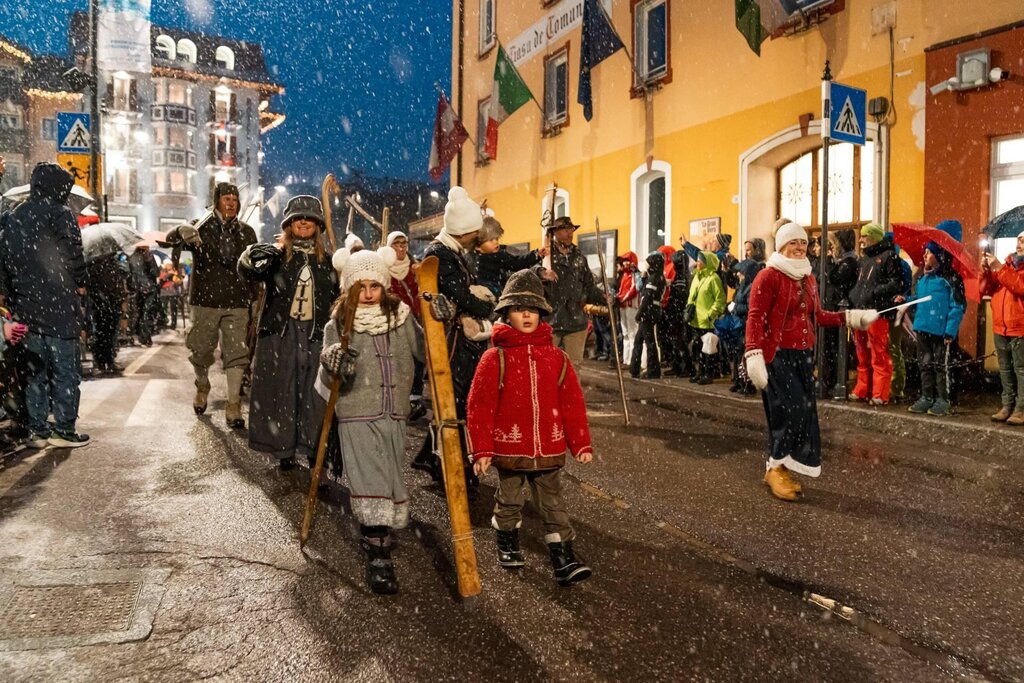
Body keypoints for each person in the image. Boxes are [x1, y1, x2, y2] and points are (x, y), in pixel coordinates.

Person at [467, 269, 593, 585]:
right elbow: (480, 407)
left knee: (553, 503)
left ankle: (563, 558)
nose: (526, 314)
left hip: (548, 447)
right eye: (519, 308)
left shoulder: (557, 358)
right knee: (509, 499)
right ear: (506, 313)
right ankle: (507, 542)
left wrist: (580, 443)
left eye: (533, 309)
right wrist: (482, 448)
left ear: (541, 314)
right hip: (510, 447)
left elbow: (572, 404)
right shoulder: (495, 358)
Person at [744, 222, 878, 501]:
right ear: (781, 245)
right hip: (777, 354)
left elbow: (818, 316)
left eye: (803, 243)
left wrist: (852, 318)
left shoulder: (808, 277)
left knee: (803, 414)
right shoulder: (768, 276)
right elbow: (755, 317)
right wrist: (753, 352)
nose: (799, 248)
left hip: (803, 355)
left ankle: (779, 466)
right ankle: (776, 466)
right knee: (787, 412)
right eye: (793, 243)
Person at [318, 248, 423, 595]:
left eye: (374, 286)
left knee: (390, 475)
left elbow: (427, 351)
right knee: (369, 475)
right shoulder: (339, 322)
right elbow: (331, 374)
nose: (367, 294)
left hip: (393, 413)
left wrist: (441, 322)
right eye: (360, 287)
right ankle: (378, 552)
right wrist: (334, 361)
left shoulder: (402, 318)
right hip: (356, 411)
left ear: (385, 286)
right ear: (349, 288)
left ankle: (379, 534)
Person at [239, 196, 338, 470]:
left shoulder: (327, 262)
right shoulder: (277, 257)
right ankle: (284, 450)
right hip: (282, 333)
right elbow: (247, 271)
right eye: (297, 218)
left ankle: (313, 449)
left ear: (318, 225)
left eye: (309, 218)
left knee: (313, 394)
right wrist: (255, 255)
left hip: (315, 333)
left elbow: (340, 298)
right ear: (289, 225)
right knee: (283, 391)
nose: (303, 222)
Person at [0, 162, 90, 447]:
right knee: (65, 372)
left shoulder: (14, 216)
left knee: (34, 372)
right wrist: (80, 280)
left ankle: (37, 429)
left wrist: (10, 292)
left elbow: (4, 261)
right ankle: (63, 429)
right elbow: (73, 254)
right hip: (59, 305)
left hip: (25, 307)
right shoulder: (61, 214)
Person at [414, 187, 494, 491]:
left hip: (461, 339)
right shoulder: (440, 254)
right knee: (455, 405)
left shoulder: (452, 252)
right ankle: (452, 467)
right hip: (451, 341)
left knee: (457, 405)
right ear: (464, 231)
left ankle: (440, 462)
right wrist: (485, 307)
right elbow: (457, 295)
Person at [166, 183, 257, 427]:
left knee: (237, 353)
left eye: (234, 200)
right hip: (205, 301)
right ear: (216, 201)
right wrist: (180, 230)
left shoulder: (247, 233)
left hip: (237, 302)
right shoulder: (200, 227)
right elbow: (170, 240)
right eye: (226, 199)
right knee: (201, 349)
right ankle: (202, 384)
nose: (230, 203)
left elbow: (255, 270)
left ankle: (234, 404)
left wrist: (255, 300)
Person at [907, 233, 966, 417]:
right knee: (925, 365)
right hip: (923, 329)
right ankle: (927, 396)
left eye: (928, 252)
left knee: (941, 367)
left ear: (939, 256)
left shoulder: (950, 279)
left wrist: (950, 331)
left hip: (940, 332)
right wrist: (907, 299)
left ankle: (943, 399)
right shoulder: (923, 279)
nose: (924, 256)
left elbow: (958, 306)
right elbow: (918, 298)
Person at [848, 222, 903, 405]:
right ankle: (863, 388)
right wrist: (854, 296)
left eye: (865, 235)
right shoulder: (864, 259)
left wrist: (873, 293)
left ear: (874, 236)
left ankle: (880, 393)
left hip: (878, 312)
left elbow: (896, 283)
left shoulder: (889, 257)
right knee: (862, 353)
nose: (861, 239)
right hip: (861, 311)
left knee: (879, 353)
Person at [542, 216, 606, 368]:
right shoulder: (545, 255)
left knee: (573, 368)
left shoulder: (579, 258)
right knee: (547, 367)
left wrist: (603, 297)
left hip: (576, 321)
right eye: (565, 230)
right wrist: (541, 271)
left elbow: (589, 286)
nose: (570, 233)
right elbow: (531, 276)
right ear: (555, 232)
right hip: (550, 321)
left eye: (571, 230)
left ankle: (571, 393)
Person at [381, 231, 427, 420]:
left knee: (416, 356)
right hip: (392, 321)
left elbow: (422, 290)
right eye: (396, 244)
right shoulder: (383, 266)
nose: (401, 248)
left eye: (403, 244)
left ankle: (414, 397)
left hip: (413, 318)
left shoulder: (416, 266)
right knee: (395, 358)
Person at [980, 229, 1024, 425]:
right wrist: (986, 271)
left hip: (1020, 326)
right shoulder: (1006, 264)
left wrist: (999, 269)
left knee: (1021, 369)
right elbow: (985, 289)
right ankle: (1007, 405)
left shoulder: (1006, 268)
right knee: (1005, 369)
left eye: (1023, 240)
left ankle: (1021, 409)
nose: (1019, 243)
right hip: (1001, 326)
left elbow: (1020, 287)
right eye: (1018, 240)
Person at [468, 216, 545, 298]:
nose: (496, 242)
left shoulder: (499, 255)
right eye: (491, 240)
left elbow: (517, 263)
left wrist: (536, 255)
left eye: (497, 238)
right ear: (477, 246)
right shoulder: (468, 257)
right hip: (479, 291)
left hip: (495, 291)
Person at [687, 251, 726, 385]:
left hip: (708, 321)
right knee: (698, 349)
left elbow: (720, 299)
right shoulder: (697, 277)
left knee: (708, 349)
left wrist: (711, 314)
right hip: (696, 320)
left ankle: (708, 374)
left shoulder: (713, 278)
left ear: (707, 262)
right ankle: (700, 372)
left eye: (700, 260)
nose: (697, 262)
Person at [87, 251, 129, 375]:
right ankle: (102, 362)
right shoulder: (96, 264)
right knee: (103, 334)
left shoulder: (111, 263)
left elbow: (119, 282)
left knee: (108, 334)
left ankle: (107, 361)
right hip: (103, 304)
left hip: (109, 303)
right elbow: (98, 285)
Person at [728, 256, 765, 393]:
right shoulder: (742, 286)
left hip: (745, 325)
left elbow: (751, 307)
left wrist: (735, 307)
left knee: (745, 355)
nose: (738, 275)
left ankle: (747, 383)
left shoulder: (751, 288)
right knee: (737, 354)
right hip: (739, 325)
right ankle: (738, 380)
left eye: (741, 272)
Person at [630, 251, 666, 379]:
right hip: (652, 311)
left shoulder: (654, 278)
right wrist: (644, 277)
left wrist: (639, 314)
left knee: (648, 342)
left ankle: (652, 370)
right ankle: (635, 368)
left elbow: (647, 298)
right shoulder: (658, 276)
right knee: (639, 340)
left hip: (648, 313)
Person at [662, 250, 693, 378]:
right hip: (678, 313)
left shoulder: (681, 277)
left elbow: (680, 296)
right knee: (678, 341)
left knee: (679, 341)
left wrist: (672, 288)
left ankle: (685, 367)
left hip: (677, 314)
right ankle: (679, 366)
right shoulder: (684, 275)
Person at [128, 245, 160, 346]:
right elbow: (155, 272)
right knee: (148, 312)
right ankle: (145, 338)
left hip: (136, 289)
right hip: (148, 288)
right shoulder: (148, 255)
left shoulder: (131, 257)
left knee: (139, 312)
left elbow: (129, 274)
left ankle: (139, 334)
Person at [615, 252, 641, 364]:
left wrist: (622, 298)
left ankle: (632, 360)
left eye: (627, 260)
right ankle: (626, 360)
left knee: (632, 333)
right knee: (625, 333)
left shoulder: (634, 274)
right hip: (624, 306)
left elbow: (634, 289)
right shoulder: (625, 274)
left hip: (630, 306)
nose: (624, 263)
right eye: (624, 260)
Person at [158, 262, 184, 329]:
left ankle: (173, 324)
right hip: (164, 292)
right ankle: (163, 322)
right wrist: (169, 274)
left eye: (170, 267)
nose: (169, 268)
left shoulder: (176, 273)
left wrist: (176, 277)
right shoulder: (163, 272)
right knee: (164, 309)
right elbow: (162, 279)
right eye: (168, 267)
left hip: (173, 292)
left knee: (174, 309)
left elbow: (180, 282)